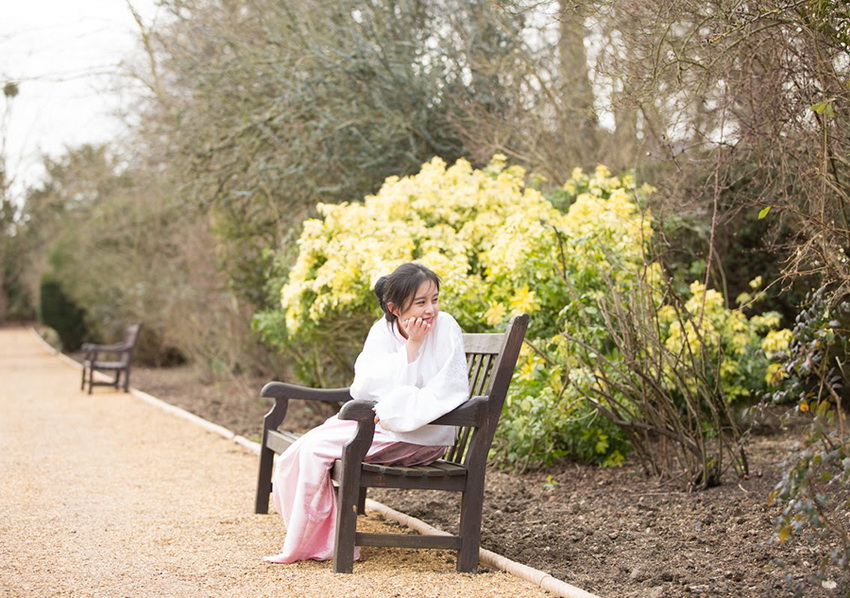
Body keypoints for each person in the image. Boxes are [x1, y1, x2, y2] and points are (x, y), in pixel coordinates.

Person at [263, 262, 470, 564]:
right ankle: (318, 538)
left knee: (313, 452)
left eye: (435, 300)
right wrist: (411, 347)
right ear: (395, 307)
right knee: (295, 455)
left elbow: (449, 390)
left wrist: (392, 408)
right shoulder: (381, 331)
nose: (431, 310)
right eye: (421, 302)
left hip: (421, 433)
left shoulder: (446, 327)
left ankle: (324, 543)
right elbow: (365, 385)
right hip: (381, 426)